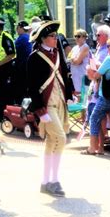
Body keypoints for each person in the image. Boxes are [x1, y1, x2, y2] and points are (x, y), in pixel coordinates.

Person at [27, 21, 73, 197]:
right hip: (47, 104)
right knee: (60, 139)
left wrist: (69, 93)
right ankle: (54, 180)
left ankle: (46, 181)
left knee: (52, 142)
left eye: (55, 36)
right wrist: (40, 110)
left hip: (60, 101)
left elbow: (63, 75)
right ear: (43, 39)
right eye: (52, 36)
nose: (56, 39)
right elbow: (32, 86)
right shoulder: (35, 57)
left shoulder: (57, 53)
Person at [14, 20, 32, 104]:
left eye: (17, 28)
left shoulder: (21, 38)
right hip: (28, 66)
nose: (16, 30)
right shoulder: (28, 37)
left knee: (20, 87)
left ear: (21, 28)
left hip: (21, 66)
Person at [69, 29, 90, 95]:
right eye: (75, 36)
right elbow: (68, 58)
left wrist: (73, 60)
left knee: (81, 96)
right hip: (74, 75)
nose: (76, 38)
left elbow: (78, 62)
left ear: (84, 37)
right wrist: (73, 60)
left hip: (82, 75)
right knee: (74, 94)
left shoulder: (85, 47)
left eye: (78, 36)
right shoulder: (74, 48)